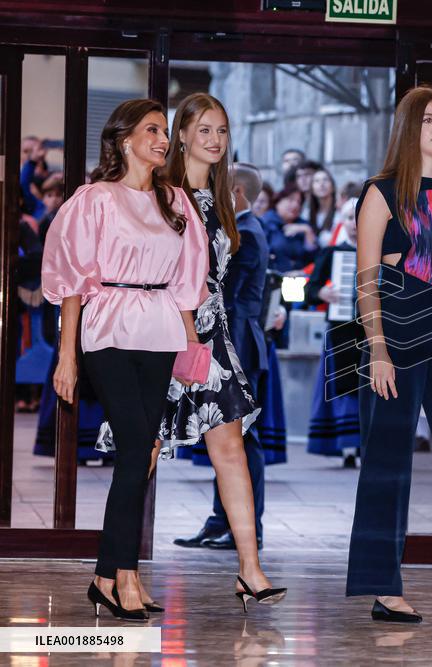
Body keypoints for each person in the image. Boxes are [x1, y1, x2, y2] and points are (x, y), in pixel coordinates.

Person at [41, 98, 209, 620]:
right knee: (138, 444)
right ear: (123, 139)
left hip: (159, 327)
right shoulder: (94, 199)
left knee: (142, 451)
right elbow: (71, 281)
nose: (163, 138)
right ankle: (118, 574)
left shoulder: (175, 201)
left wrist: (192, 345)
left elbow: (187, 283)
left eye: (165, 130)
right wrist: (66, 357)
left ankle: (110, 576)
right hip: (108, 325)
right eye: (153, 129)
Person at [346, 84, 432, 625]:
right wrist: (377, 347)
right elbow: (365, 279)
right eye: (429, 119)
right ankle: (385, 586)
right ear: (410, 128)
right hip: (397, 331)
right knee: (388, 461)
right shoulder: (381, 192)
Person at [153, 93, 284, 608]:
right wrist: (186, 336)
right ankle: (115, 571)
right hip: (168, 335)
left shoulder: (223, 201)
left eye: (222, 131)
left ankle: (250, 569)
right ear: (181, 134)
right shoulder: (163, 193)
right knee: (145, 452)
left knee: (230, 451)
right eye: (203, 129)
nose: (213, 139)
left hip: (215, 339)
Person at [174, 162, 273, 552]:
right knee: (228, 438)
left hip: (239, 343)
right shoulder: (244, 230)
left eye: (218, 190)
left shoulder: (245, 234)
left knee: (244, 439)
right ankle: (220, 520)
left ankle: (245, 528)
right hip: (237, 338)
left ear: (237, 194)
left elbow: (223, 297)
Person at [306, 196, 362, 464]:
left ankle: (365, 444)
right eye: (349, 218)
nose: (354, 224)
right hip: (340, 328)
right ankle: (348, 446)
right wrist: (322, 292)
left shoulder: (381, 253)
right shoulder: (332, 253)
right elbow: (309, 289)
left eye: (358, 217)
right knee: (342, 387)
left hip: (369, 330)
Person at [261, 187, 317, 272]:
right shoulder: (266, 223)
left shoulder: (304, 225)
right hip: (273, 278)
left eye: (299, 202)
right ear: (278, 202)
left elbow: (314, 258)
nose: (295, 205)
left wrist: (308, 232)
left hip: (300, 278)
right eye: (291, 200)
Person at [309, 167, 339, 246]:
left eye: (325, 180)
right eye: (317, 181)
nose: (321, 184)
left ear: (332, 187)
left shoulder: (340, 213)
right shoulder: (307, 214)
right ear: (312, 189)